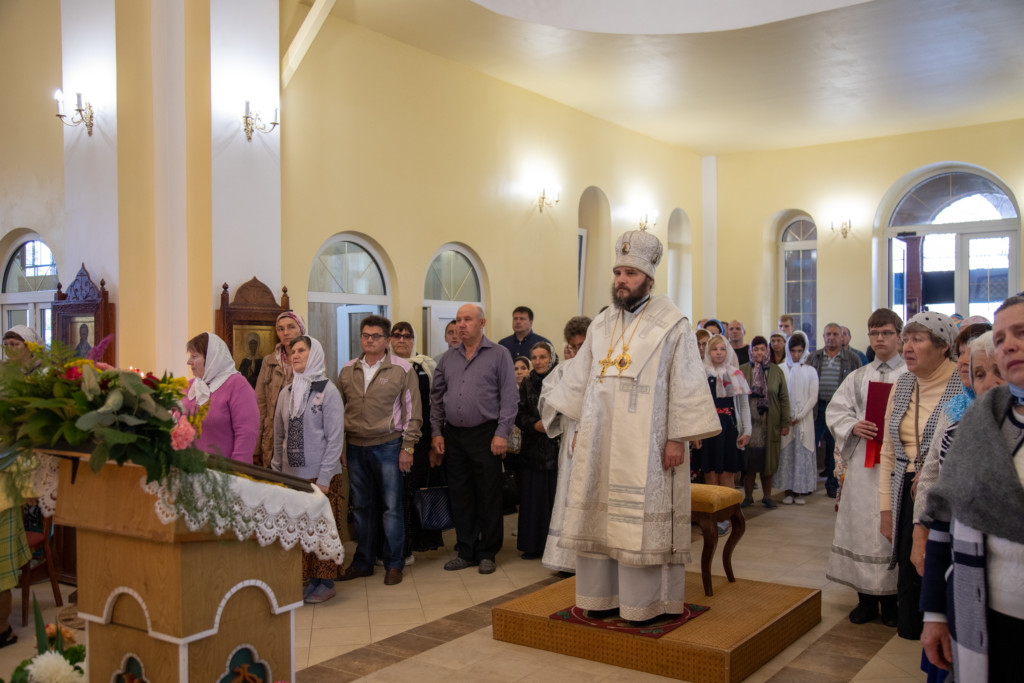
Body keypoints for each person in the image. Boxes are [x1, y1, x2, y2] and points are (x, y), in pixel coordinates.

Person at [543, 228, 720, 624]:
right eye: (618, 273)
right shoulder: (601, 324)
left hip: (650, 445)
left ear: (649, 279)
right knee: (599, 519)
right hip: (600, 441)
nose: (621, 280)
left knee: (638, 524)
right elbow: (581, 380)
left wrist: (677, 437)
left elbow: (685, 383)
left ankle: (647, 604)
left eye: (630, 274)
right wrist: (577, 429)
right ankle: (600, 597)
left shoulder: (673, 324)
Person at [921, 297, 1024, 681]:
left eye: (1021, 333)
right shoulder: (980, 422)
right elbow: (944, 522)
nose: (1009, 345)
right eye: (1000, 339)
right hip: (987, 612)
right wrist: (934, 613)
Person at [913, 330, 1002, 683]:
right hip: (963, 570)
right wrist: (920, 529)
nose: (989, 383)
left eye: (998, 371)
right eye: (979, 373)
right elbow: (937, 494)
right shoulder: (958, 428)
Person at [878, 311, 961, 640]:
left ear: (943, 346)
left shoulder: (962, 383)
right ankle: (913, 633)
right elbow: (888, 448)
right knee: (908, 567)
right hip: (904, 485)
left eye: (917, 339)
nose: (907, 347)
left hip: (943, 492)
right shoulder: (902, 383)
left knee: (937, 564)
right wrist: (886, 508)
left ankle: (944, 635)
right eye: (906, 339)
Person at [825, 308, 905, 626]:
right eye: (874, 333)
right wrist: (853, 425)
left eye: (886, 333)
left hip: (897, 466)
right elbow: (836, 411)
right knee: (861, 528)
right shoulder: (858, 376)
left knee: (891, 531)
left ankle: (892, 602)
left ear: (899, 336)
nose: (880, 338)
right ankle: (866, 601)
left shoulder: (911, 375)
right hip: (863, 466)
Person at [431, 304, 518, 575]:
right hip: (454, 436)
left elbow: (510, 397)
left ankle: (488, 552)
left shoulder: (499, 354)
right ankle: (466, 550)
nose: (461, 324)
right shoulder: (448, 358)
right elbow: (436, 398)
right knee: (460, 495)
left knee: (488, 495)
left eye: (467, 319)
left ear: (482, 323)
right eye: (458, 320)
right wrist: (436, 432)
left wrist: (502, 433)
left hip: (486, 434)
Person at [337, 315, 422, 587]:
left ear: (387, 341)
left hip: (389, 446)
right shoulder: (348, 369)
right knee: (362, 507)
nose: (369, 340)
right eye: (365, 335)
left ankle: (394, 564)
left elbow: (413, 413)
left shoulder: (402, 369)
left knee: (391, 508)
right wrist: (340, 446)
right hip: (355, 447)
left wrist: (407, 447)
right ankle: (363, 562)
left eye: (375, 336)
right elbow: (337, 412)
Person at [271, 336, 344, 604]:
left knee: (321, 530)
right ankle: (310, 581)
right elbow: (279, 436)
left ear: (314, 355)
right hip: (293, 477)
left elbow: (335, 438)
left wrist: (324, 478)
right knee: (301, 531)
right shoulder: (287, 393)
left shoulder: (328, 391)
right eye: (293, 351)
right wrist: (277, 473)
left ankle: (326, 583)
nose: (296, 355)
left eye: (302, 350)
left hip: (320, 476)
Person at [0, 325, 44, 648]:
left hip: (20, 468)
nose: (10, 349)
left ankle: (3, 626)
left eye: (16, 343)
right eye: (6, 343)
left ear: (29, 347)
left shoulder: (41, 378)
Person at [540, 315, 591, 575]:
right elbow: (547, 396)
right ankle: (566, 559)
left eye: (583, 345)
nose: (578, 351)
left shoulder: (603, 368)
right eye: (574, 346)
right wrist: (563, 405)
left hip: (596, 437)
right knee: (568, 492)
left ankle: (592, 557)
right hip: (571, 437)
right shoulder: (564, 369)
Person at [389, 321, 443, 558]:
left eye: (407, 336)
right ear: (390, 340)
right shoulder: (385, 366)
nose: (402, 340)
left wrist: (434, 442)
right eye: (397, 335)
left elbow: (435, 405)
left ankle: (419, 541)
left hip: (421, 439)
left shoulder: (426, 366)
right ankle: (400, 544)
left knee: (417, 489)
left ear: (414, 339)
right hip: (392, 440)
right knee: (396, 493)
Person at [182, 331, 259, 462]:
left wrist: (237, 470)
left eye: (194, 356)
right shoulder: (189, 388)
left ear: (212, 359)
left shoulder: (237, 385)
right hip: (189, 467)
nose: (189, 362)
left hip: (223, 470)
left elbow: (246, 434)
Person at [515, 341, 560, 560]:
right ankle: (532, 546)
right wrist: (534, 425)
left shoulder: (561, 379)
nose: (538, 361)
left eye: (543, 357)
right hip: (532, 449)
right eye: (534, 357)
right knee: (532, 499)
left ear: (551, 358)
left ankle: (553, 548)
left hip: (555, 450)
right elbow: (519, 413)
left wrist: (551, 425)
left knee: (553, 499)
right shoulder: (527, 382)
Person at [807, 322, 863, 498]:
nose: (831, 337)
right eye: (828, 334)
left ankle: (832, 484)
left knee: (835, 448)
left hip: (840, 410)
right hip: (816, 408)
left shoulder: (853, 358)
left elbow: (858, 385)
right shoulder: (813, 357)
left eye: (835, 334)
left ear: (842, 337)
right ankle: (808, 482)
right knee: (810, 446)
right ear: (823, 337)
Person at [740, 336, 790, 509]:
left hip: (769, 423)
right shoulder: (742, 370)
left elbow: (784, 398)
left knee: (767, 462)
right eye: (756, 349)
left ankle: (767, 497)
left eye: (762, 349)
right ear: (751, 351)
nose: (759, 353)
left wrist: (785, 423)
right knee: (749, 463)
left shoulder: (776, 371)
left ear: (767, 351)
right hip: (749, 424)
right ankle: (748, 497)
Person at [254, 312, 306, 468]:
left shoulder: (312, 359)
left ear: (301, 329)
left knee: (297, 480)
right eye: (280, 329)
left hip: (301, 434)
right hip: (272, 435)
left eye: (291, 327)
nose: (286, 332)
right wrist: (256, 447)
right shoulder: (269, 361)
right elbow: (260, 404)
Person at [700, 334, 751, 490]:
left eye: (722, 349)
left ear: (728, 352)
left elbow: (744, 405)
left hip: (729, 427)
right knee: (710, 474)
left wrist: (747, 431)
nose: (719, 352)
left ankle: (728, 505)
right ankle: (712, 505)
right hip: (707, 429)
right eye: (714, 349)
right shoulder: (701, 374)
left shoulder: (735, 374)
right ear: (708, 351)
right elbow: (696, 405)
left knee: (727, 474)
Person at [777, 331, 818, 505]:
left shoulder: (810, 371)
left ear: (804, 350)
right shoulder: (781, 369)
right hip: (786, 420)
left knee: (802, 454)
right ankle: (787, 491)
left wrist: (799, 416)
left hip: (804, 420)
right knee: (787, 454)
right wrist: (786, 417)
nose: (796, 355)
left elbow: (813, 397)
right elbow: (778, 395)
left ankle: (799, 491)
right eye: (793, 351)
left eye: (799, 351)